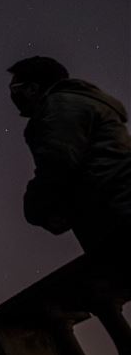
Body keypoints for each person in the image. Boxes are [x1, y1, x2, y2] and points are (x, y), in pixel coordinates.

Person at [7, 56, 131, 257]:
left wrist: (34, 207)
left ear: (32, 88)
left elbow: (57, 164)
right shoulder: (86, 103)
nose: (13, 97)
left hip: (114, 216)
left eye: (15, 89)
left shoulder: (59, 106)